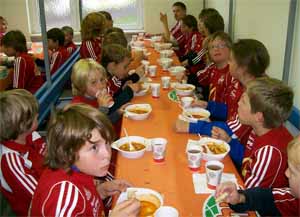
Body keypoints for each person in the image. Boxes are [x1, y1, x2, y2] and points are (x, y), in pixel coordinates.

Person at [30, 103, 140, 216]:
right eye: (94, 147)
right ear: (68, 152)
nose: (107, 154)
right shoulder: (63, 198)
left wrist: (100, 191)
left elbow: (83, 201)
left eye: (108, 143)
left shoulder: (78, 168)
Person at [175, 39, 270, 169]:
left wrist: (191, 127)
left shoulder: (255, 95)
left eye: (231, 60)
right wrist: (208, 105)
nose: (228, 64)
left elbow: (230, 128)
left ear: (242, 68)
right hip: (231, 143)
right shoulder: (239, 82)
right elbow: (230, 110)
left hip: (239, 156)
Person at [215, 135, 300, 216]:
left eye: (292, 171)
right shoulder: (293, 200)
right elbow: (268, 198)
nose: (286, 173)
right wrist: (241, 197)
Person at [0, 89, 46, 215]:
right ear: (21, 125)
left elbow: (49, 154)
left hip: (48, 180)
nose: (38, 114)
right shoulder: (11, 161)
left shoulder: (30, 135)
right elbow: (39, 195)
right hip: (35, 209)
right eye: (34, 116)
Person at [195, 31, 241, 119]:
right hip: (209, 112)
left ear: (231, 49)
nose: (216, 49)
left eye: (221, 45)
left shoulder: (233, 74)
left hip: (222, 119)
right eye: (212, 47)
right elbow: (199, 79)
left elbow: (230, 111)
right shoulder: (212, 67)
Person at [71, 58, 121, 124]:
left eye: (102, 79)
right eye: (93, 82)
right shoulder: (78, 108)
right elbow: (93, 128)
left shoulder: (94, 97)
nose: (101, 86)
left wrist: (118, 113)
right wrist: (103, 109)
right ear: (81, 86)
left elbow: (107, 120)